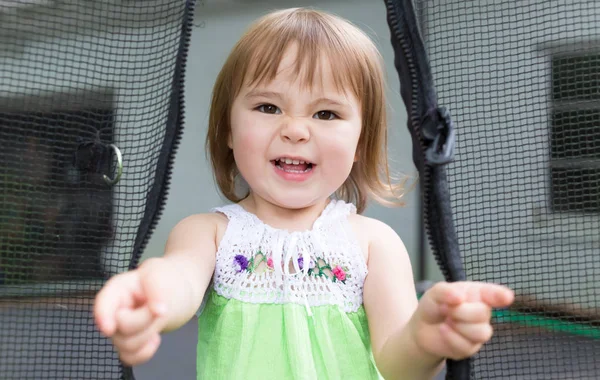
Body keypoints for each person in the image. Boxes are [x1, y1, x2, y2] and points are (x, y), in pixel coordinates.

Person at [94, 7, 514, 380]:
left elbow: (396, 363)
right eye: (268, 107)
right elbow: (180, 278)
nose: (295, 129)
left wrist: (424, 341)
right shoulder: (209, 233)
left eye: (326, 113)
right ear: (227, 129)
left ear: (360, 145)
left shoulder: (373, 244)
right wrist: (153, 293)